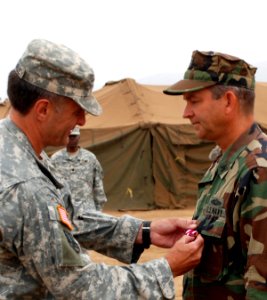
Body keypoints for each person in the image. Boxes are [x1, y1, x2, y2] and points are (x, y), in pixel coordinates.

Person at [0, 38, 204, 299]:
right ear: (43, 109)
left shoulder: (17, 149)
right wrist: (166, 268)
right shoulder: (25, 185)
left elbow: (67, 218)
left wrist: (144, 232)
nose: (82, 122)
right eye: (77, 111)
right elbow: (80, 287)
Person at [164, 50, 267, 299]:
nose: (186, 113)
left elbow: (261, 287)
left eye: (194, 101)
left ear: (229, 101)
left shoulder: (259, 171)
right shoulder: (224, 161)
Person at [51, 125, 107, 217]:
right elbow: (51, 185)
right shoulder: (55, 159)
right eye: (69, 136)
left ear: (79, 137)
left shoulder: (90, 158)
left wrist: (98, 212)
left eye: (74, 136)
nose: (72, 139)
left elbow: (98, 186)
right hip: (64, 211)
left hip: (87, 211)